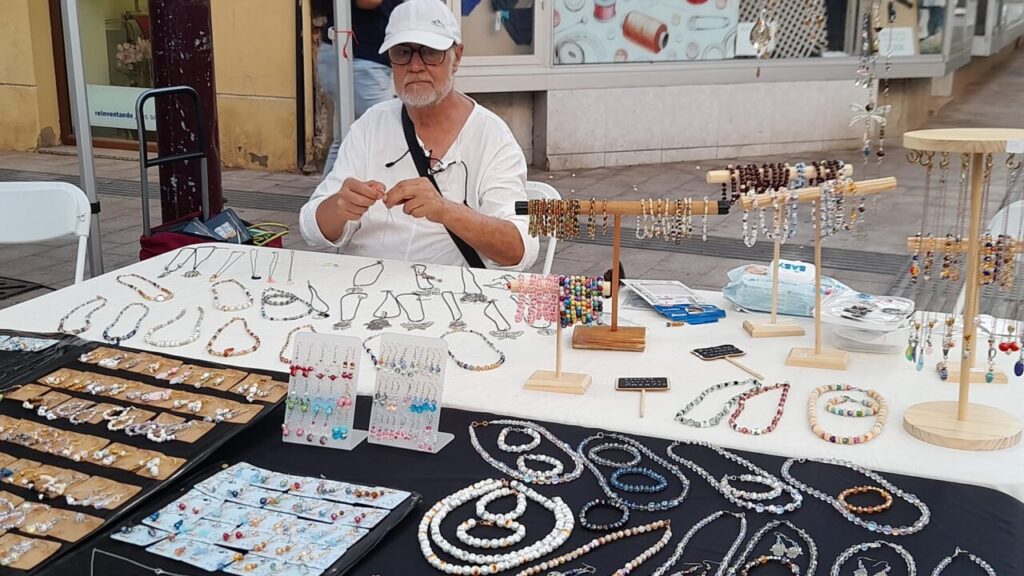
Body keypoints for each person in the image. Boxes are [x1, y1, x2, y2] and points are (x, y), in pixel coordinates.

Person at [300, 0, 538, 271]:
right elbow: (312, 229)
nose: (415, 66)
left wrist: (445, 209)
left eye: (430, 52)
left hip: (453, 299)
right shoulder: (370, 125)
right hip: (366, 290)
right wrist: (340, 207)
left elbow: (519, 249)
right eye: (403, 53)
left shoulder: (492, 137)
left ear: (457, 57)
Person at [317, 0, 402, 175]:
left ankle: (326, 197)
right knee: (388, 132)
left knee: (347, 135)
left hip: (349, 56)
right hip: (359, 60)